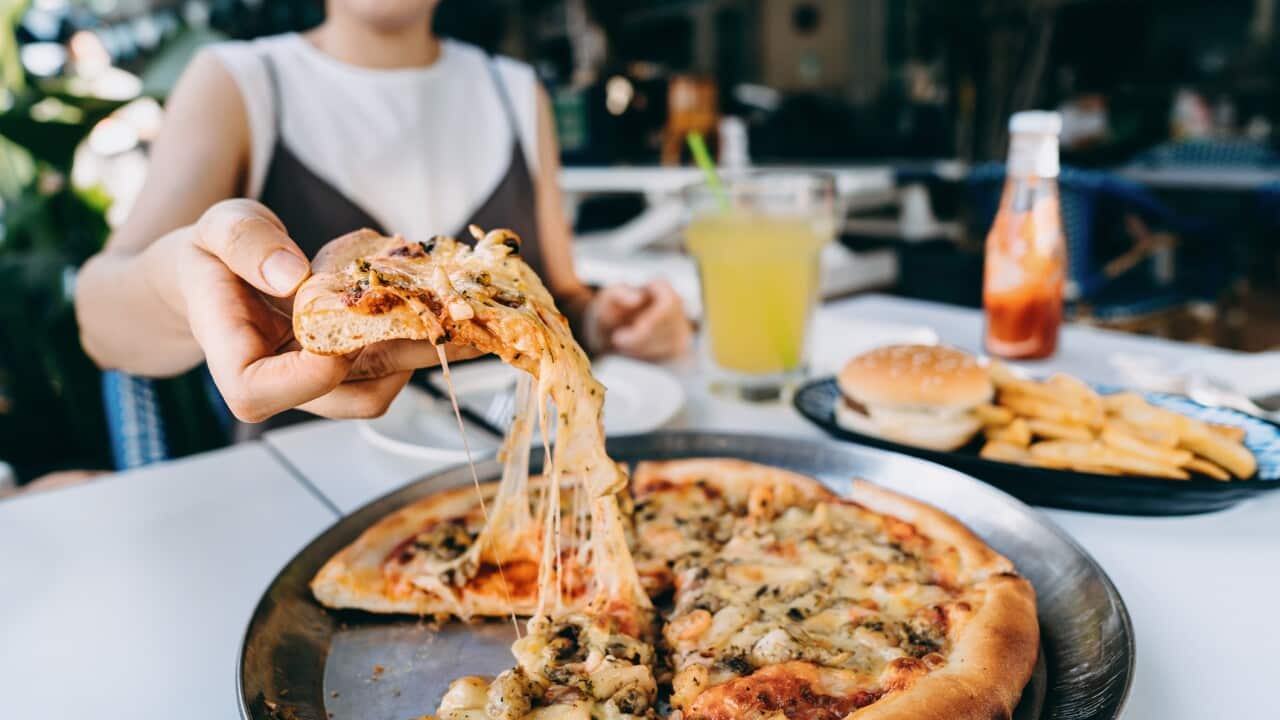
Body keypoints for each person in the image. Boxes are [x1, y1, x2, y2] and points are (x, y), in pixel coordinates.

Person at [75, 0, 691, 427]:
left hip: (519, 458)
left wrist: (608, 321)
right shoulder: (241, 81)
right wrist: (182, 285)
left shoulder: (516, 90)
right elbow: (100, 323)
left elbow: (559, 298)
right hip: (311, 493)